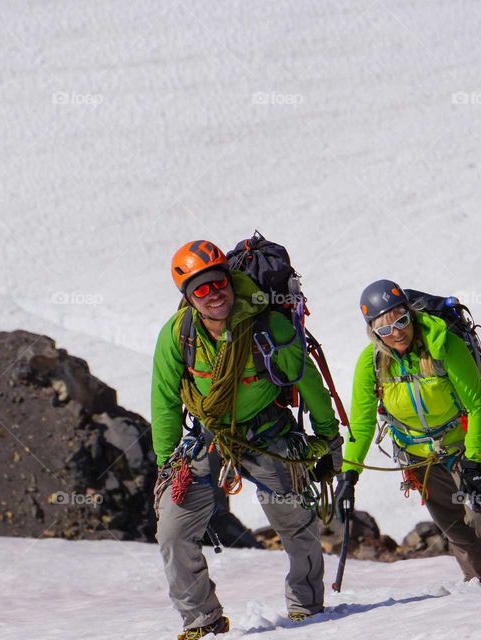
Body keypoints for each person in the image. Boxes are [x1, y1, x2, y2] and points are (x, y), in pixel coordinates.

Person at [152, 240, 343, 639]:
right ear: (188, 298)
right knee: (173, 528)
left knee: (295, 520)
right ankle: (201, 619)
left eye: (218, 283)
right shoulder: (178, 335)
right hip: (209, 438)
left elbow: (307, 381)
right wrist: (167, 461)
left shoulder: (267, 325)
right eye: (200, 290)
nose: (213, 294)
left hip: (266, 431)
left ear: (230, 280)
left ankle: (307, 607)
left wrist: (328, 438)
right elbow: (165, 399)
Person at [335, 279, 481, 583]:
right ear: (373, 332)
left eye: (401, 320)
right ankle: (477, 580)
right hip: (417, 457)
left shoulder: (443, 344)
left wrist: (475, 462)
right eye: (385, 329)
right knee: (451, 523)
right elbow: (362, 423)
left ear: (410, 313)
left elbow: (476, 405)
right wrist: (348, 475)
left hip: (463, 441)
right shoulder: (369, 364)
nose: (396, 332)